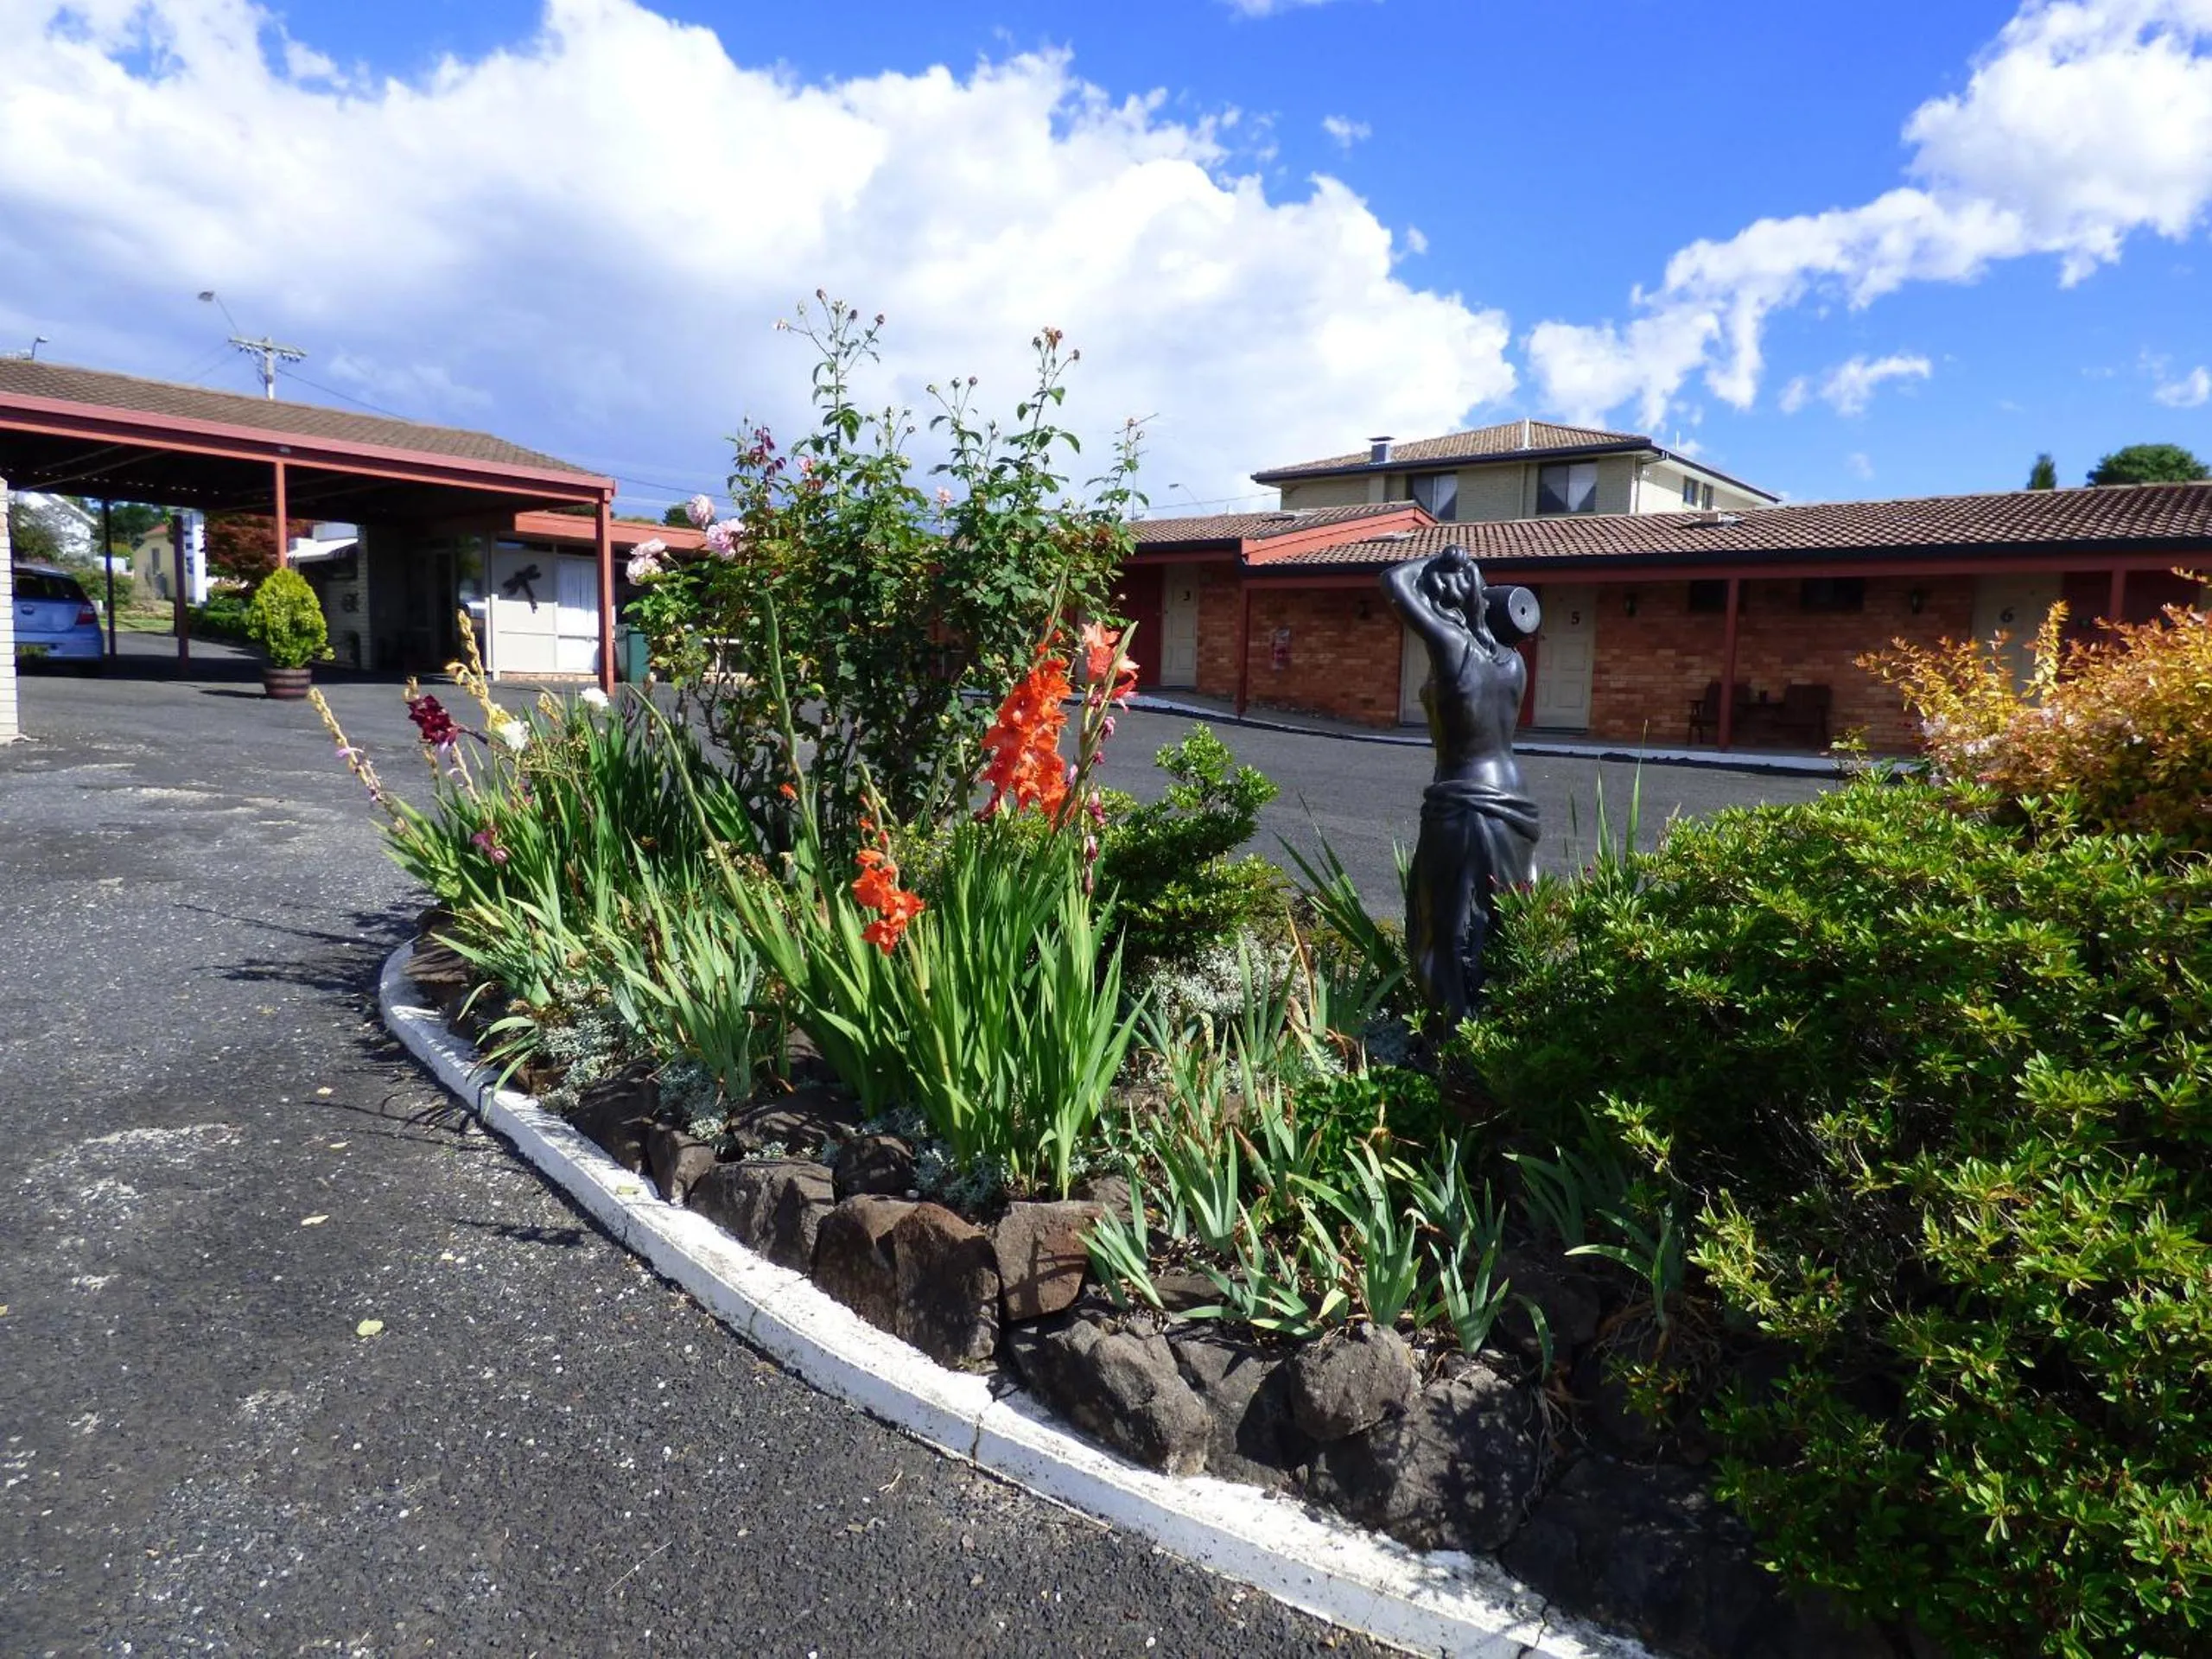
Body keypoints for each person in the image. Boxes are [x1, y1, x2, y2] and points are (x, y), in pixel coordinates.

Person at [1380, 547, 1541, 1025]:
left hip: (1463, 800)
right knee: (1502, 920)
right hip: (1514, 799)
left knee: (1442, 925)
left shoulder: (1455, 647)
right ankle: (1500, 1025)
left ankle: (1448, 1042)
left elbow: (1394, 581)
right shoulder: (1513, 664)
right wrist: (1469, 581)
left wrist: (1446, 563)